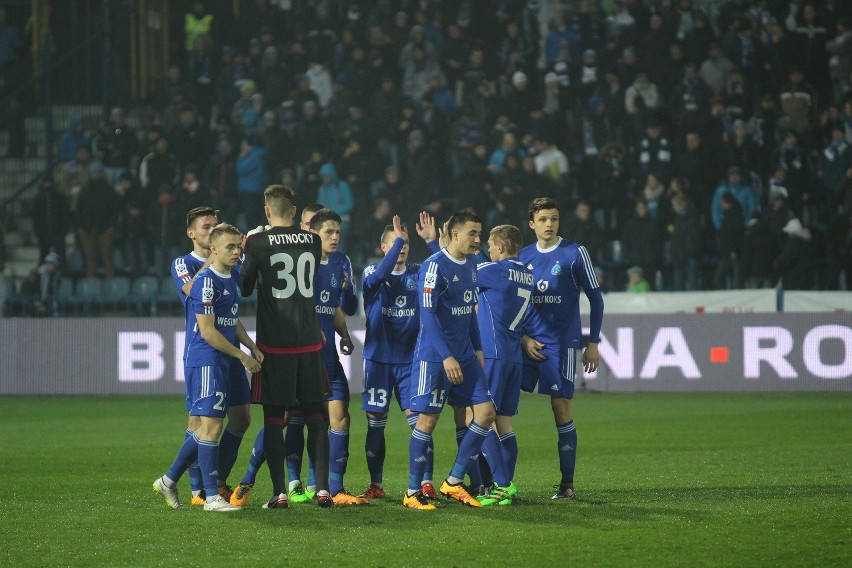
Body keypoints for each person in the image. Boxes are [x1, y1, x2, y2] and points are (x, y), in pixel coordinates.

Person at [153, 223, 263, 512]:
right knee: (210, 426)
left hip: (229, 358)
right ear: (213, 249)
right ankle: (210, 495)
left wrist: (250, 346)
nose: (237, 252)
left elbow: (231, 320)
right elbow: (208, 332)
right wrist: (243, 357)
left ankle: (169, 479)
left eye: (239, 246)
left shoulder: (232, 278)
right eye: (230, 247)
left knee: (237, 418)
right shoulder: (206, 282)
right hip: (208, 359)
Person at [240, 185, 333, 509]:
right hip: (308, 341)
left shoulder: (257, 242)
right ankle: (322, 488)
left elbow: (245, 285)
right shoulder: (312, 240)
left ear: (267, 211)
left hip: (274, 345)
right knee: (316, 415)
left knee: (274, 419)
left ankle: (280, 492)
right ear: (293, 211)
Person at [403, 210, 496, 511]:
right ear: (455, 235)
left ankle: (454, 481)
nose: (478, 240)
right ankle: (411, 491)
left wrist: (478, 349)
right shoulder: (433, 267)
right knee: (427, 421)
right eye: (473, 233)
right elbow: (427, 317)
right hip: (434, 357)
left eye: (479, 233)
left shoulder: (472, 265)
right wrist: (446, 357)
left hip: (466, 355)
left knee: (485, 413)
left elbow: (469, 311)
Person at [519, 197, 604, 500]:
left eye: (553, 219)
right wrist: (522, 339)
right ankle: (492, 481)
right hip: (525, 342)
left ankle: (567, 485)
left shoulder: (574, 253)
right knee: (494, 405)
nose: (549, 225)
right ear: (532, 223)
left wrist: (592, 342)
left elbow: (596, 298)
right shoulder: (523, 256)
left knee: (560, 408)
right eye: (543, 219)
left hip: (560, 345)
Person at [360, 212, 440, 499]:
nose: (403, 246)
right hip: (379, 360)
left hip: (412, 363)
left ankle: (426, 482)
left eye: (405, 242)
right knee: (375, 424)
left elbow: (444, 271)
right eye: (396, 242)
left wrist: (432, 243)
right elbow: (381, 275)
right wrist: (398, 241)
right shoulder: (371, 272)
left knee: (419, 423)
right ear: (384, 247)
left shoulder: (418, 273)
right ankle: (376, 485)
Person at [473, 224, 534, 506]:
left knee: (478, 418)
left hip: (494, 354)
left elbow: (462, 274)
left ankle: (502, 483)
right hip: (513, 355)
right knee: (504, 423)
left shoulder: (495, 271)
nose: (486, 247)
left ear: (499, 246)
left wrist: (439, 247)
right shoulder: (527, 273)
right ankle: (504, 491)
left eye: (488, 243)